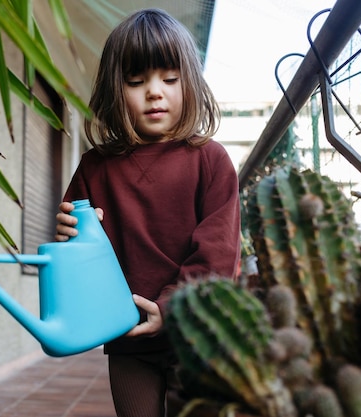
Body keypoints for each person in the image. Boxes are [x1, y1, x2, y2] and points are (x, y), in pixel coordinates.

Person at [54, 8, 241, 417]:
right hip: (127, 336)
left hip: (197, 333)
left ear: (189, 84)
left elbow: (218, 252)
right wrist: (69, 234)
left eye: (169, 79)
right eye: (136, 81)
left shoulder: (210, 160)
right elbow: (77, 254)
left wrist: (171, 308)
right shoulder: (95, 167)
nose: (155, 91)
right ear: (113, 91)